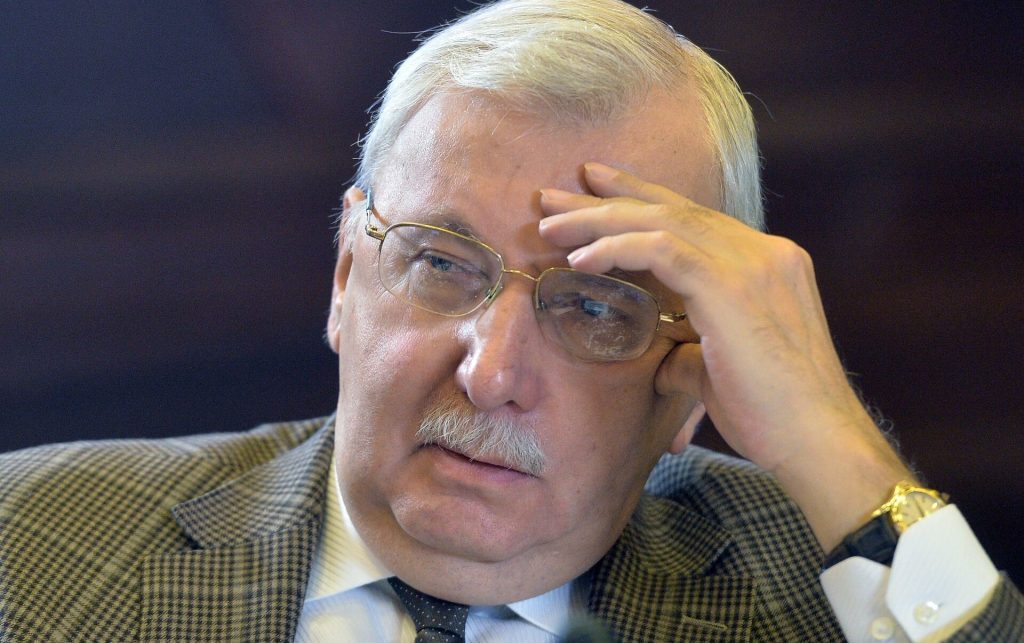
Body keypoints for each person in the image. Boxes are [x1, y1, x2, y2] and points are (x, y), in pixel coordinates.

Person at [1, 0, 1021, 641]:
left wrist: (832, 441)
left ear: (692, 379)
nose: (490, 374)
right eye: (442, 264)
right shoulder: (34, 547)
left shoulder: (826, 594)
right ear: (346, 275)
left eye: (595, 306)